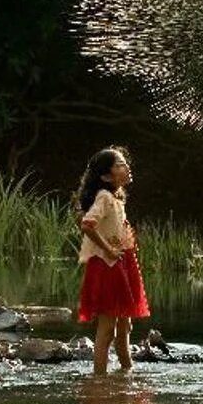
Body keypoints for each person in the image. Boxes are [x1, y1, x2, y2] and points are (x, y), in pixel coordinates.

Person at [73, 146, 151, 375]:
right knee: (107, 329)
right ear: (106, 176)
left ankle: (127, 372)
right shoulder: (104, 197)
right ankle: (99, 380)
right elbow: (87, 224)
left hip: (121, 263)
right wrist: (107, 249)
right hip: (107, 265)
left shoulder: (116, 198)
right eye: (119, 164)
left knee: (125, 326)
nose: (126, 167)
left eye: (125, 163)